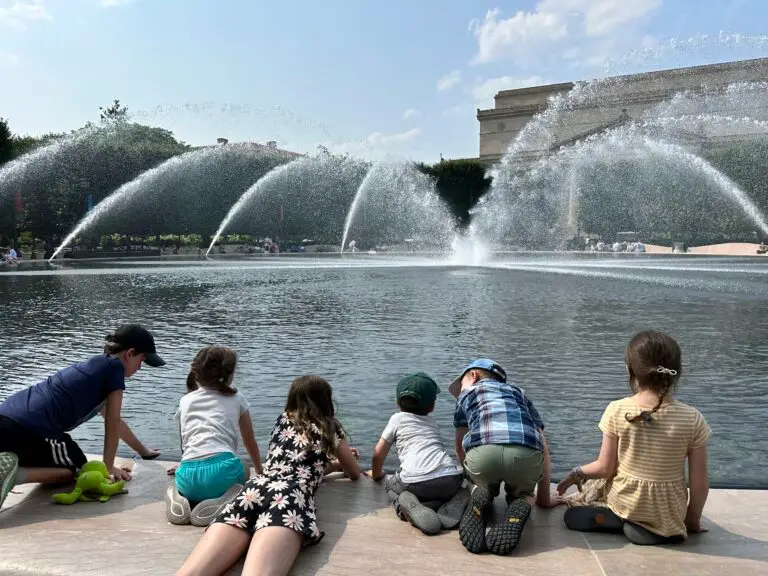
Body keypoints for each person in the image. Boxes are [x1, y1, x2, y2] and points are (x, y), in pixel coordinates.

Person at [176, 375, 360, 576]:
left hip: (256, 488)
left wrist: (331, 465)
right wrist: (342, 462)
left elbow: (296, 465)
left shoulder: (283, 420)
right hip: (289, 496)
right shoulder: (330, 426)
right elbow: (353, 472)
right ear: (326, 401)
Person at [556, 330, 710, 546]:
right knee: (659, 510)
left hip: (627, 500)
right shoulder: (693, 418)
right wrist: (691, 520)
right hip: (669, 513)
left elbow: (604, 468)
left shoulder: (617, 409)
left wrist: (576, 473)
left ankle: (623, 518)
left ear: (630, 370)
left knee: (580, 504)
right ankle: (652, 527)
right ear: (676, 372)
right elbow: (699, 484)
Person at [0, 324, 165, 509]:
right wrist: (108, 466)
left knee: (67, 459)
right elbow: (112, 421)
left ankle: (7, 461)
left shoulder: (98, 367)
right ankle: (15, 475)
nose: (140, 368)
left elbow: (115, 421)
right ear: (130, 353)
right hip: (31, 427)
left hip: (7, 420)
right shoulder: (115, 368)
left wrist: (143, 451)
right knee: (76, 469)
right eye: (142, 360)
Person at [450, 358, 562, 555]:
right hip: (525, 454)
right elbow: (543, 445)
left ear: (474, 376)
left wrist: (470, 478)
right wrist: (544, 498)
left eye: (461, 383)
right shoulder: (519, 393)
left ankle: (480, 493)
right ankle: (522, 502)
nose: (460, 389)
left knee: (477, 480)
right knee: (525, 494)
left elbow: (459, 447)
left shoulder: (466, 395)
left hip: (484, 456)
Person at [165, 346, 262, 527]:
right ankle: (227, 498)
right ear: (229, 374)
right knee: (243, 467)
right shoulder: (238, 398)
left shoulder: (186, 400)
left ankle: (178, 495)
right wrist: (260, 472)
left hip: (187, 477)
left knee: (182, 481)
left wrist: (185, 463)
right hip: (221, 476)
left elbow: (185, 442)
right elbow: (249, 441)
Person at [366, 372, 467, 535]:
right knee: (456, 485)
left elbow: (378, 454)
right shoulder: (433, 423)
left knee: (390, 485)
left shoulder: (397, 419)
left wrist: (377, 475)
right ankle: (451, 500)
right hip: (449, 479)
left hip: (414, 482)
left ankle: (405, 508)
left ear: (397, 402)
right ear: (432, 406)